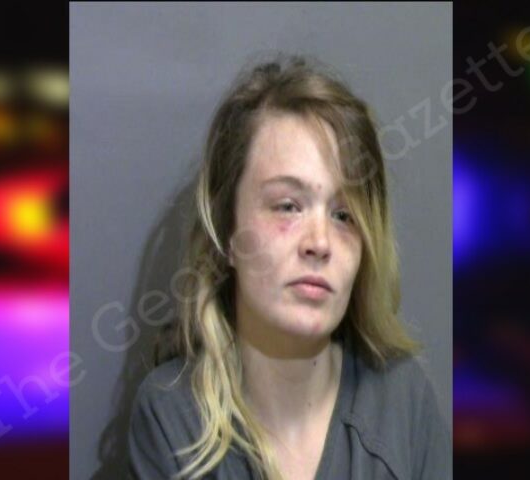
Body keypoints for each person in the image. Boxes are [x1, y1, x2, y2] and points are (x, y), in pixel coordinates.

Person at [128, 53, 451, 480]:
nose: (320, 243)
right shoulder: (172, 416)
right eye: (287, 206)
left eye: (344, 215)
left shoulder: (403, 402)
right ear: (227, 232)